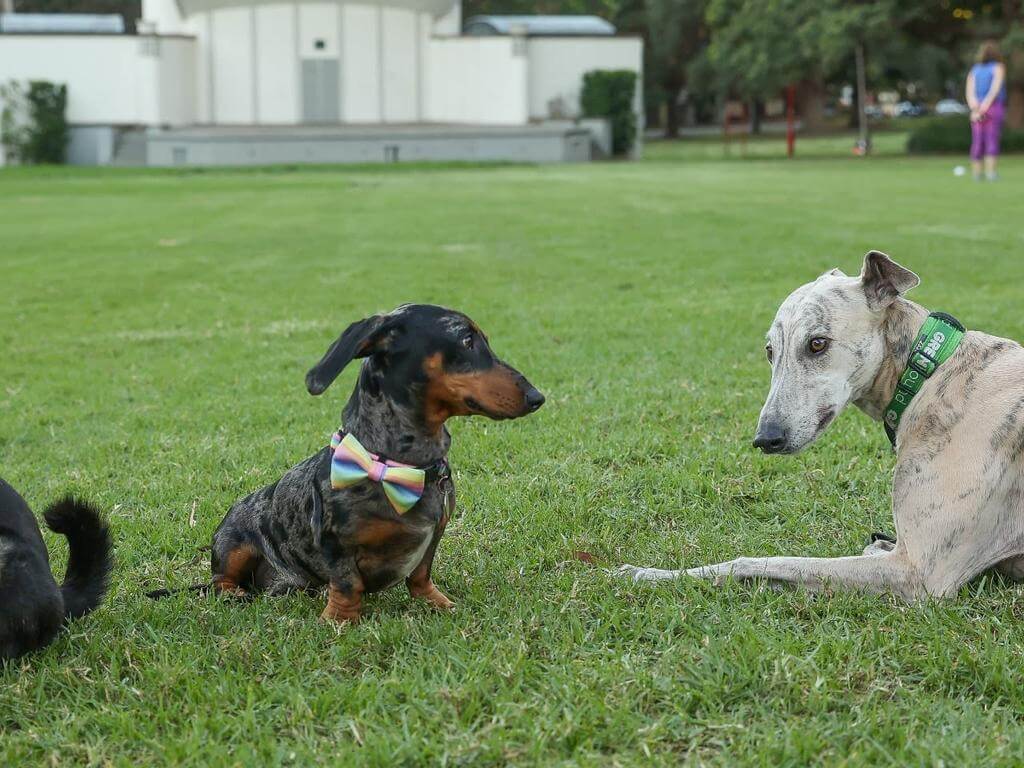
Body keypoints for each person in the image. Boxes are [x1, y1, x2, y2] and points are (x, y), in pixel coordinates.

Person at [966, 40, 1007, 181]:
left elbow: (969, 91)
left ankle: (977, 174)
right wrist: (985, 105)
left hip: (977, 109)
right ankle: (990, 173)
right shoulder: (998, 67)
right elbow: (995, 89)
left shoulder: (975, 70)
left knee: (977, 140)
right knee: (992, 138)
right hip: (993, 107)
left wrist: (975, 108)